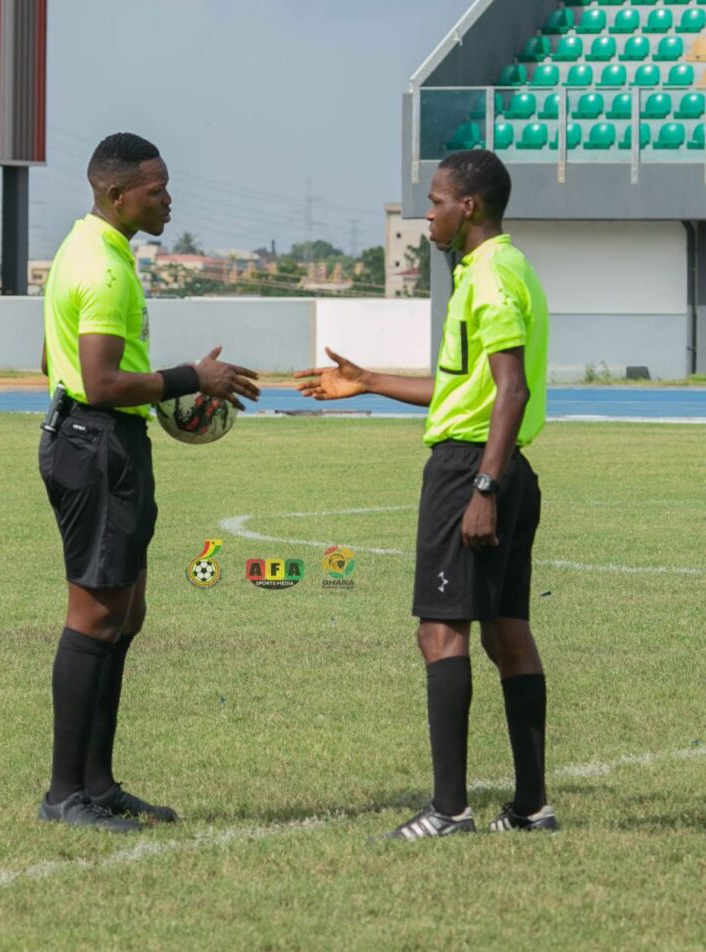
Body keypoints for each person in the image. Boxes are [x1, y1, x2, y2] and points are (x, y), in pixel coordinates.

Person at [295, 150, 556, 837]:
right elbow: (465, 388)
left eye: (436, 201)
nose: (428, 214)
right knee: (507, 634)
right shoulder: (498, 267)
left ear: (468, 207)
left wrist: (482, 488)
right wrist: (371, 382)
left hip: (474, 469)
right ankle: (531, 809)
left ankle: (449, 811)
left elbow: (511, 391)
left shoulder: (491, 277)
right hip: (499, 464)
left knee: (440, 632)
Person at [38, 132, 259, 833]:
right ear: (116, 193)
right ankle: (64, 795)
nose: (169, 199)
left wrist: (155, 395)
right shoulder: (103, 269)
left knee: (125, 612)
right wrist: (192, 380)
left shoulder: (88, 247)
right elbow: (100, 381)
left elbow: (52, 354)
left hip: (101, 440)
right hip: (96, 444)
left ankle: (97, 786)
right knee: (95, 615)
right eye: (157, 189)